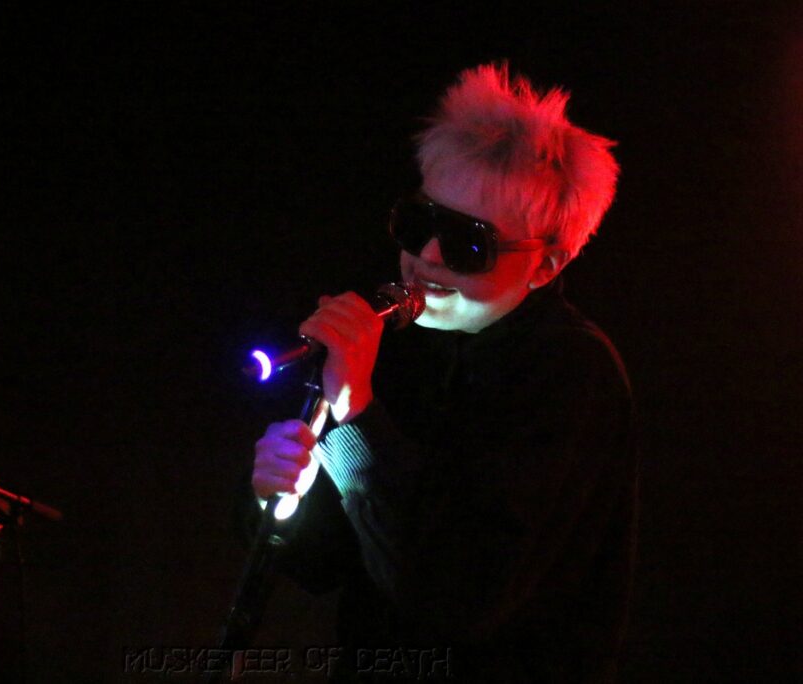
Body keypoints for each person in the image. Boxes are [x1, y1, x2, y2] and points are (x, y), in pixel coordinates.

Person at [246, 63, 636, 682]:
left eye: (467, 243)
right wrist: (281, 499)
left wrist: (356, 419)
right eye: (419, 222)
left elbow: (459, 598)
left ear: (546, 264)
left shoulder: (572, 374)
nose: (425, 256)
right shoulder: (402, 345)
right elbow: (324, 568)